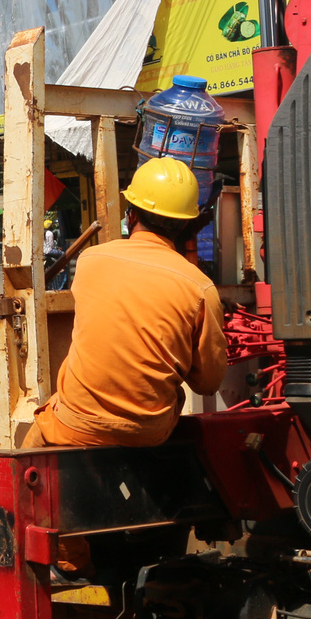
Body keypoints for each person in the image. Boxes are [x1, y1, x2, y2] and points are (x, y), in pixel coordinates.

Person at [30, 158, 226, 449]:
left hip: (76, 425)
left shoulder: (90, 260)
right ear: (189, 225)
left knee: (33, 436)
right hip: (149, 431)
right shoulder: (200, 289)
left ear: (131, 216)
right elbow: (207, 384)